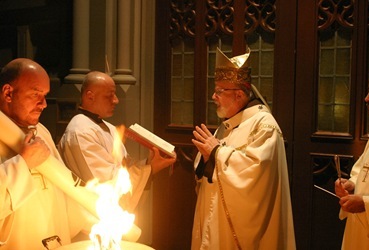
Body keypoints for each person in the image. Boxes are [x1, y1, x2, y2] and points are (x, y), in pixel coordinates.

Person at [191, 48, 296, 249]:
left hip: (245, 232)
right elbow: (210, 161)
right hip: (215, 221)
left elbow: (256, 173)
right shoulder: (227, 124)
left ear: (239, 95)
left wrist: (216, 153)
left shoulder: (264, 126)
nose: (214, 96)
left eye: (220, 91)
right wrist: (206, 158)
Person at [0, 58, 95, 249]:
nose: (43, 104)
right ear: (8, 93)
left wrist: (97, 216)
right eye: (36, 94)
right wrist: (23, 163)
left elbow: (63, 187)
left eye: (45, 95)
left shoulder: (40, 131)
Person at [58, 71, 176, 212]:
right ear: (90, 96)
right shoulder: (80, 131)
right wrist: (149, 170)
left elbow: (123, 167)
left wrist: (149, 163)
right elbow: (104, 184)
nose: (116, 100)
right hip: (91, 216)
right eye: (110, 95)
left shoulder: (109, 128)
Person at [335, 73, 369, 249]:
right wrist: (351, 184)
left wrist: (366, 204)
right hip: (359, 228)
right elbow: (362, 173)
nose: (367, 98)